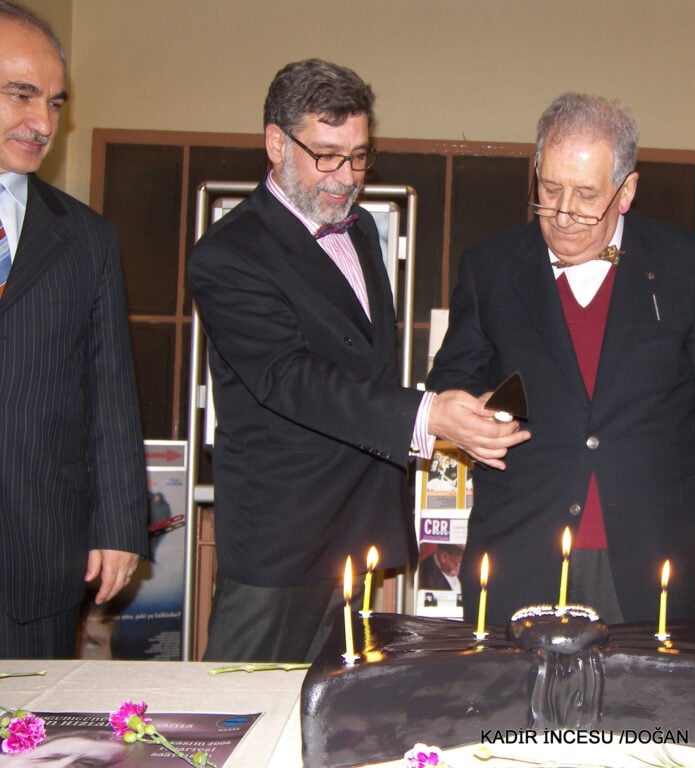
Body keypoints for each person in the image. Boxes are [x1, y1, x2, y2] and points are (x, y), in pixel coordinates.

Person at [187, 59, 528, 663]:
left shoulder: (363, 229)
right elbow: (291, 379)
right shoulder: (228, 254)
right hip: (281, 542)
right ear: (275, 144)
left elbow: (367, 370)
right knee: (246, 709)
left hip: (359, 526)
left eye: (360, 156)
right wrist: (426, 417)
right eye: (326, 155)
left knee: (339, 715)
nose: (346, 177)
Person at [427, 92, 695, 626]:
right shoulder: (491, 266)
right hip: (522, 544)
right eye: (549, 189)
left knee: (647, 706)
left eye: (585, 195)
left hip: (656, 548)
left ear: (626, 191)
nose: (563, 214)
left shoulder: (686, 264)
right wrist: (467, 409)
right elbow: (451, 376)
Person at [0, 1, 147, 659]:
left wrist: (119, 524)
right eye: (21, 95)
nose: (42, 123)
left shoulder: (86, 238)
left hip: (37, 557)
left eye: (55, 103)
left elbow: (110, 391)